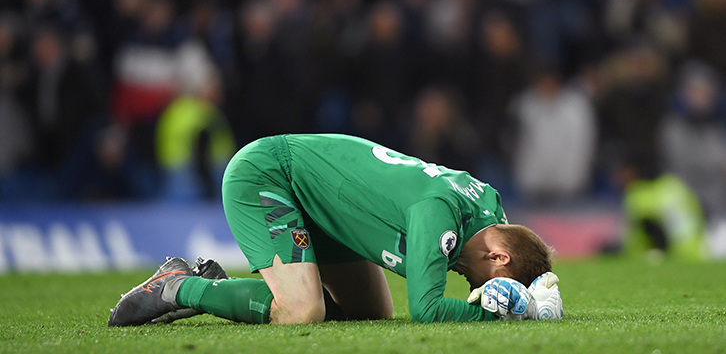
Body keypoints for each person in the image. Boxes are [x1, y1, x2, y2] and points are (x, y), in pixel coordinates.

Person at [109, 133, 558, 326]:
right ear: (499, 257)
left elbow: (513, 244)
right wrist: (500, 314)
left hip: (325, 206)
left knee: (371, 313)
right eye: (484, 281)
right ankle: (178, 287)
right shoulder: (438, 213)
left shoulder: (488, 206)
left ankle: (234, 291)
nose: (471, 283)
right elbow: (426, 309)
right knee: (303, 312)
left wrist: (533, 288)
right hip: (271, 176)